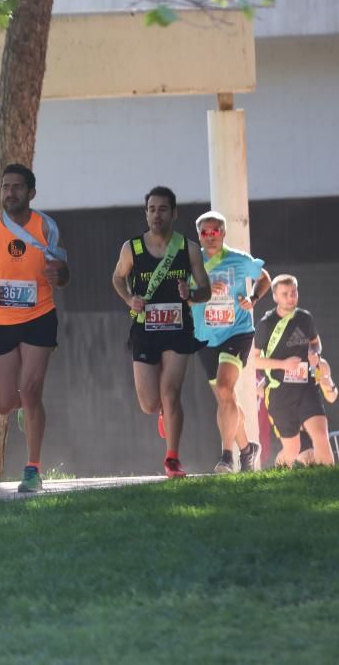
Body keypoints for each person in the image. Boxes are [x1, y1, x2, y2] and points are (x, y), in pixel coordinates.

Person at [0, 163, 69, 493]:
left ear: (31, 192)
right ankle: (24, 409)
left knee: (33, 390)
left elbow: (63, 270)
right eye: (6, 187)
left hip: (39, 315)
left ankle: (33, 470)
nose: (10, 193)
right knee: (5, 402)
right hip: (0, 321)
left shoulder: (46, 226)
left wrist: (58, 275)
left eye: (17, 187)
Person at [111, 186, 210, 479]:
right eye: (152, 209)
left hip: (178, 329)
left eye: (163, 209)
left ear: (174, 213)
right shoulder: (133, 248)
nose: (157, 214)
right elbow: (117, 278)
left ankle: (172, 458)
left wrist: (190, 292)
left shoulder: (188, 248)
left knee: (171, 393)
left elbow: (205, 290)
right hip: (145, 330)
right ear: (146, 213)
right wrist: (130, 299)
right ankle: (162, 412)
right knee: (150, 403)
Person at [190, 211, 271, 473]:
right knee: (226, 399)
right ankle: (248, 449)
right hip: (205, 337)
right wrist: (202, 292)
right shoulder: (191, 263)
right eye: (205, 232)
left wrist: (253, 298)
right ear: (199, 236)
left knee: (225, 388)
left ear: (223, 233)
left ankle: (227, 456)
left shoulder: (238, 260)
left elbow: (264, 278)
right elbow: (184, 299)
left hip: (237, 332)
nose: (210, 237)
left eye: (215, 231)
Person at [251, 274, 335, 467]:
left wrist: (315, 353)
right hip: (280, 392)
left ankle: (330, 482)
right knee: (292, 448)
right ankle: (277, 475)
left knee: (321, 435)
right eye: (285, 294)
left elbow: (316, 343)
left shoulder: (305, 318)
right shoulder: (266, 324)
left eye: (293, 293)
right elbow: (253, 361)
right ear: (275, 297)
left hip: (306, 385)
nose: (290, 298)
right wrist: (283, 364)